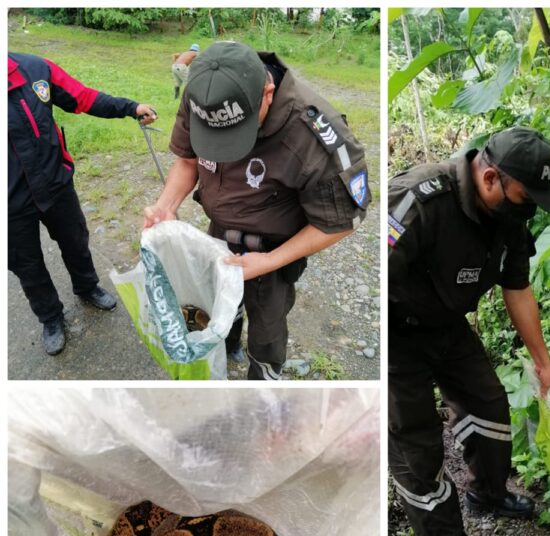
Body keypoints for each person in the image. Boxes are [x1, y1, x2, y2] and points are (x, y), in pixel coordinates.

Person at [388, 127, 550, 536]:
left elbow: (518, 287)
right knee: (415, 438)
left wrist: (543, 363)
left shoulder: (510, 216)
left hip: (446, 324)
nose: (528, 210)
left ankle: (488, 492)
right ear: (490, 179)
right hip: (395, 333)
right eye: (526, 197)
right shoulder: (419, 201)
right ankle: (442, 533)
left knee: (488, 403)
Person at [143, 41, 371, 380]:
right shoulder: (205, 93)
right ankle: (227, 343)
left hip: (272, 252)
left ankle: (262, 384)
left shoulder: (315, 133)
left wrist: (270, 261)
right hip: (218, 236)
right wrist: (166, 205)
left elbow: (339, 222)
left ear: (267, 92)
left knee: (267, 331)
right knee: (217, 303)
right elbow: (188, 160)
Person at [8, 52, 157, 356]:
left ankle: (87, 287)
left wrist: (131, 107)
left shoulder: (36, 68)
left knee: (76, 240)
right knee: (27, 264)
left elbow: (83, 97)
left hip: (55, 182)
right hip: (9, 202)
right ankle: (50, 317)